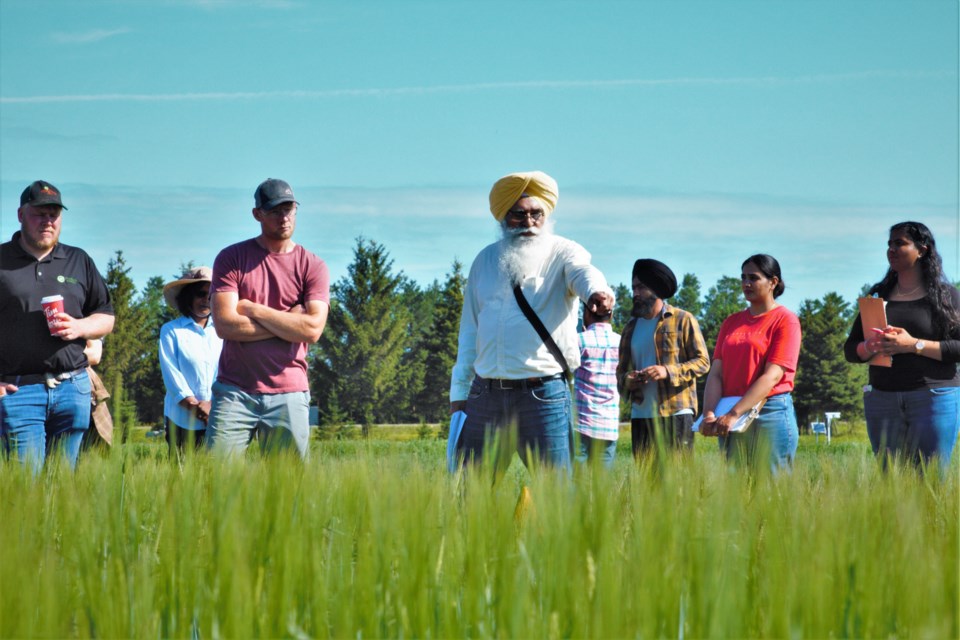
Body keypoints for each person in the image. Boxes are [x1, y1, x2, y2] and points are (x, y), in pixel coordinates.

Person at [451, 171, 615, 470]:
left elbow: (584, 272)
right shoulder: (484, 261)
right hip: (484, 396)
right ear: (502, 218)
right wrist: (459, 394)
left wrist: (597, 291)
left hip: (542, 397)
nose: (528, 223)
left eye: (536, 214)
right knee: (469, 496)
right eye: (518, 215)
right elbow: (469, 332)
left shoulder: (564, 251)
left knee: (555, 498)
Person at [206, 178, 330, 460]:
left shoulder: (313, 266)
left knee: (290, 490)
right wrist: (288, 323)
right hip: (234, 392)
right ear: (257, 214)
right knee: (216, 484)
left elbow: (311, 329)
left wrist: (254, 309)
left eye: (289, 209)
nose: (284, 217)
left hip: (291, 392)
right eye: (275, 211)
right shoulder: (231, 258)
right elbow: (225, 325)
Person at [0, 180, 115, 473]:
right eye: (40, 213)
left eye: (54, 214)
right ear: (21, 214)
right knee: (25, 486)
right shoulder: (2, 260)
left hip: (72, 388)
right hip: (18, 390)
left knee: (63, 486)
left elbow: (106, 317)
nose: (47, 220)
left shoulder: (78, 260)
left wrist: (79, 327)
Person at [843, 221, 960, 471]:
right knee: (892, 484)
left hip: (933, 398)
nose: (891, 249)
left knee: (929, 481)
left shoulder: (946, 296)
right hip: (882, 399)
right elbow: (851, 350)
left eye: (900, 243)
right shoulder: (878, 295)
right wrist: (869, 346)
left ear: (923, 250)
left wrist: (912, 345)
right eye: (889, 244)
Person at [700, 254, 801, 472]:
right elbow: (716, 373)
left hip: (769, 412)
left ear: (773, 282)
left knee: (772, 489)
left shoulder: (785, 320)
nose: (746, 283)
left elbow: (772, 376)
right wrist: (709, 413)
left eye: (753, 278)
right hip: (728, 411)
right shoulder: (731, 323)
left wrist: (734, 415)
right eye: (743, 277)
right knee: (737, 489)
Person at [616, 259, 709, 456]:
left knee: (677, 482)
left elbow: (703, 362)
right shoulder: (630, 328)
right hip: (641, 416)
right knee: (646, 484)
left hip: (676, 414)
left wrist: (666, 371)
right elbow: (620, 373)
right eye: (633, 288)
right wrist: (628, 380)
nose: (635, 293)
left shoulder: (683, 319)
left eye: (641, 287)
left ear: (656, 288)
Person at [159, 266, 223, 457]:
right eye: (200, 294)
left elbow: (228, 371)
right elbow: (171, 374)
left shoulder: (224, 331)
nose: (206, 300)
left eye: (211, 295)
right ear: (188, 297)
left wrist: (212, 405)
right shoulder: (171, 330)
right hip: (181, 419)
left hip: (217, 415)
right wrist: (195, 406)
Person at [574, 303, 621, 467]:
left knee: (576, 485)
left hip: (580, 423)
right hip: (608, 425)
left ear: (587, 312)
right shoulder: (621, 342)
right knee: (602, 488)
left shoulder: (578, 340)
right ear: (611, 315)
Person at [80, 338, 113, 451]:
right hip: (30, 385)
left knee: (80, 453)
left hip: (79, 385)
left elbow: (95, 355)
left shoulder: (86, 320)